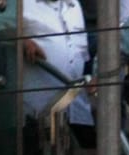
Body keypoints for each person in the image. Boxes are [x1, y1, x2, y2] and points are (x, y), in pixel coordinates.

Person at [19, 0, 93, 137]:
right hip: (36, 113)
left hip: (75, 108)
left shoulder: (74, 5)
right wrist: (21, 40)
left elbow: (82, 52)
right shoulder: (20, 4)